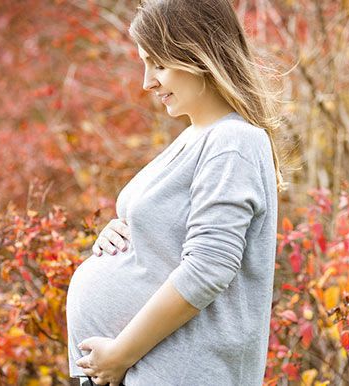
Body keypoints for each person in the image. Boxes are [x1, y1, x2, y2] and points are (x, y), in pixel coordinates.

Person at [65, 0, 286, 384]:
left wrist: (119, 355)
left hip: (175, 371)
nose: (146, 81)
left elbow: (208, 268)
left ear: (199, 54)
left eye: (159, 64)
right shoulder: (195, 137)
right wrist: (120, 235)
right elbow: (169, 242)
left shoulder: (233, 141)